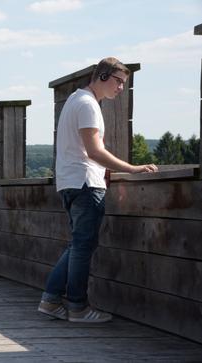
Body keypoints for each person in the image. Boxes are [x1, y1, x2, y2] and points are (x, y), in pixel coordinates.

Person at [38, 57, 158, 323]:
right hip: (84, 184)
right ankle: (78, 308)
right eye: (118, 81)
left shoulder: (74, 100)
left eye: (124, 83)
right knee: (83, 247)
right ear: (102, 76)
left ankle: (50, 301)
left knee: (78, 245)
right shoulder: (88, 105)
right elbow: (94, 151)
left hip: (71, 182)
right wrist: (133, 168)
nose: (120, 88)